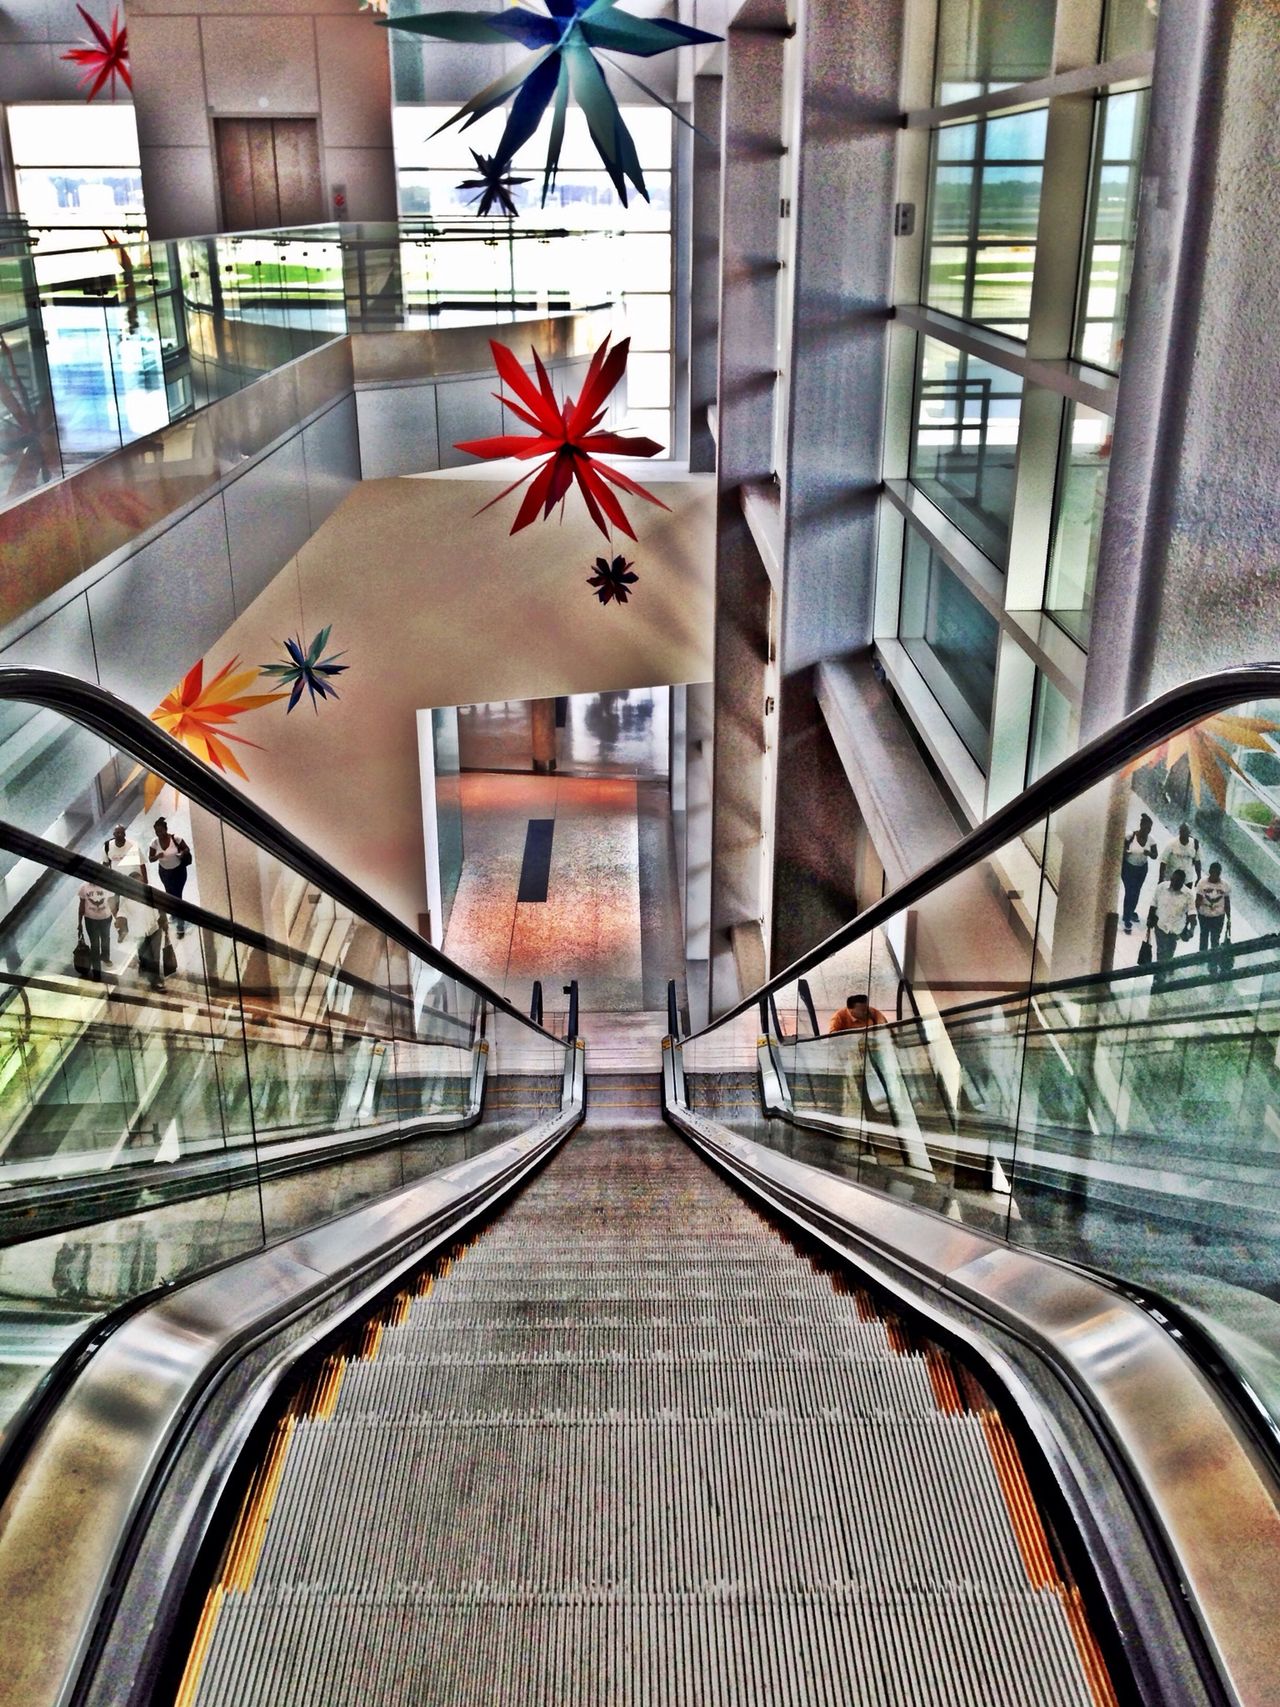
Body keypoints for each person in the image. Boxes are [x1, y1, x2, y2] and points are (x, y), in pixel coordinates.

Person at [1147, 869, 1195, 979]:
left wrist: (1192, 928)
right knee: (1161, 950)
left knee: (1170, 951)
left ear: (1182, 882)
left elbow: (1192, 912)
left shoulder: (1188, 895)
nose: (1173, 883)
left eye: (1177, 881)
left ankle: (1164, 969)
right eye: (1173, 880)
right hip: (1161, 925)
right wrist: (1150, 918)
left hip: (1175, 928)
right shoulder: (1162, 887)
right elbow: (1154, 903)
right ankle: (1159, 976)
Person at [149, 817, 191, 938]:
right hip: (164, 872)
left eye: (161, 831)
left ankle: (180, 924)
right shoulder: (154, 843)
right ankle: (175, 913)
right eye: (157, 832)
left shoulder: (175, 839)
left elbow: (186, 848)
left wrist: (182, 853)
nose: (159, 834)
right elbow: (150, 859)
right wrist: (157, 856)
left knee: (177, 895)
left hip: (179, 871)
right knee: (169, 893)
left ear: (166, 829)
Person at [1120, 813, 1157, 933]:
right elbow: (1122, 849)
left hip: (1141, 869)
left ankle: (1131, 912)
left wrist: (1149, 853)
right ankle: (1126, 917)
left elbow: (1155, 855)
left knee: (1136, 892)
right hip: (1129, 868)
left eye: (1149, 828)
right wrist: (1128, 852)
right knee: (1129, 891)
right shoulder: (1131, 836)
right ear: (1141, 825)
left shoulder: (1151, 840)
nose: (1147, 830)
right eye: (1146, 827)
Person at [135, 877, 171, 992]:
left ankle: (155, 979)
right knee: (145, 953)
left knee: (154, 955)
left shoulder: (151, 893)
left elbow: (161, 907)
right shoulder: (128, 898)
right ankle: (150, 974)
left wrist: (164, 922)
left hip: (154, 928)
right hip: (139, 931)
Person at [77, 874, 116, 979]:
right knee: (95, 945)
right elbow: (81, 905)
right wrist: (79, 923)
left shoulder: (106, 886)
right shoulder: (83, 888)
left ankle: (105, 956)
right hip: (91, 920)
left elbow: (112, 902)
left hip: (106, 918)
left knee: (105, 938)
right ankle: (96, 972)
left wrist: (116, 917)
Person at [1195, 861, 1232, 953]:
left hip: (1218, 916)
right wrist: (1194, 913)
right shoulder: (1202, 883)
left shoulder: (1225, 885)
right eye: (1214, 873)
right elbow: (1198, 899)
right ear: (1210, 872)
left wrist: (1229, 918)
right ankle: (1201, 958)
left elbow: (1227, 902)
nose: (1215, 875)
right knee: (1204, 936)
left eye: (1218, 873)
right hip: (1204, 915)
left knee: (1215, 938)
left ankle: (1213, 961)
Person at [1160, 822, 1202, 887]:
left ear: (1189, 833)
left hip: (1187, 880)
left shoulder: (1195, 844)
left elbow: (1198, 861)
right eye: (1182, 831)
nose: (1183, 833)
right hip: (1172, 879)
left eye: (1185, 831)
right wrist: (1161, 879)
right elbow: (1163, 862)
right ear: (1179, 832)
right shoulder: (1172, 843)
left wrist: (1199, 877)